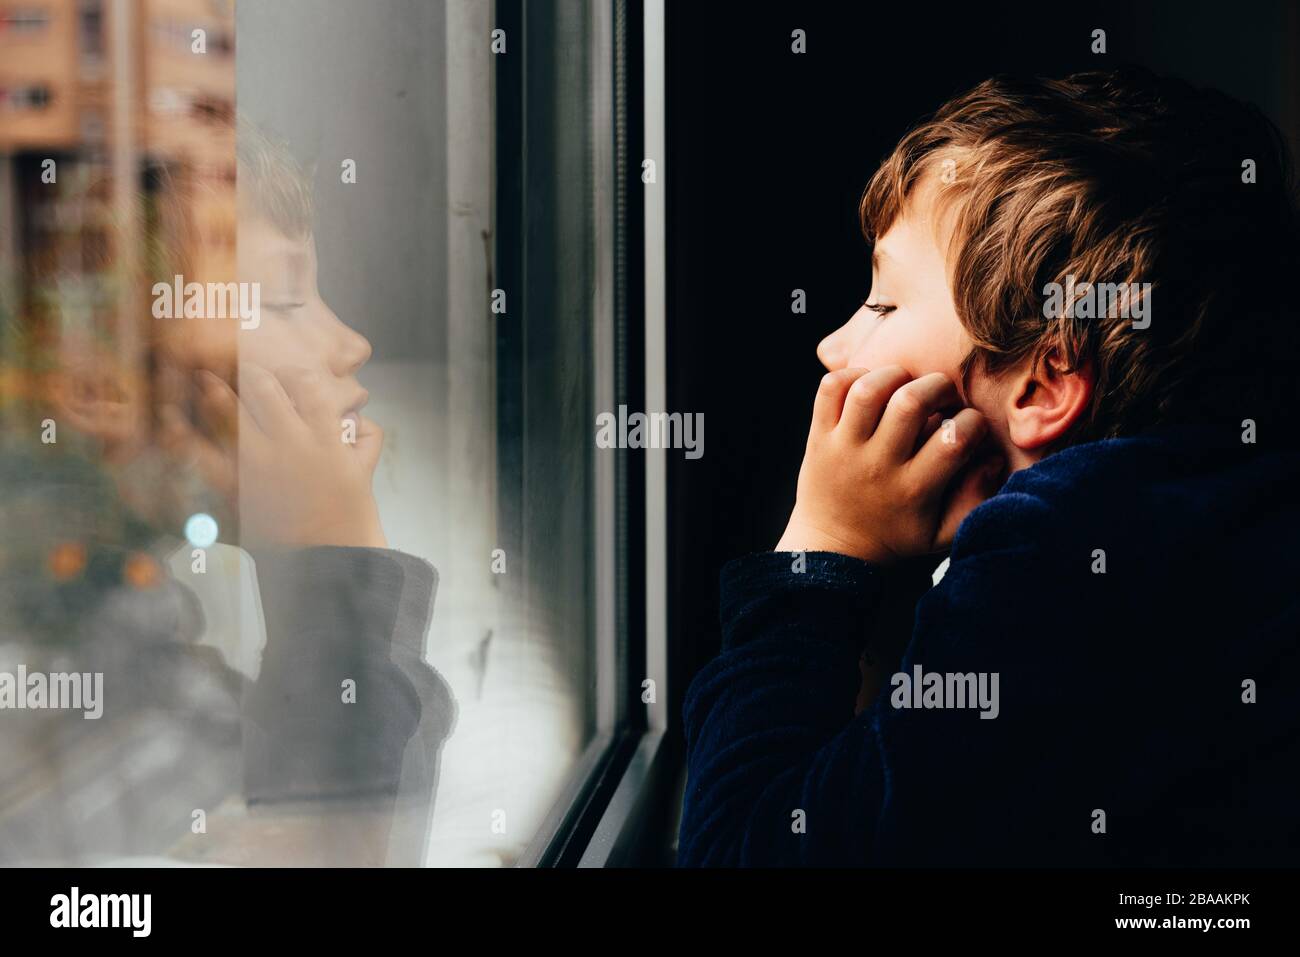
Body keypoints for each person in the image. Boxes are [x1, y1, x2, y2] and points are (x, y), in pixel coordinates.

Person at [678, 68, 1300, 866]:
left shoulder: (1064, 574)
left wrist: (821, 552)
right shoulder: (1212, 514)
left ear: (1041, 385)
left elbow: (744, 849)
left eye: (884, 305)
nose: (833, 346)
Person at [0, 122, 454, 865]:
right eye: (281, 299)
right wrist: (330, 569)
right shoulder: (56, 693)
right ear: (97, 384)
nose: (350, 343)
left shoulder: (131, 640)